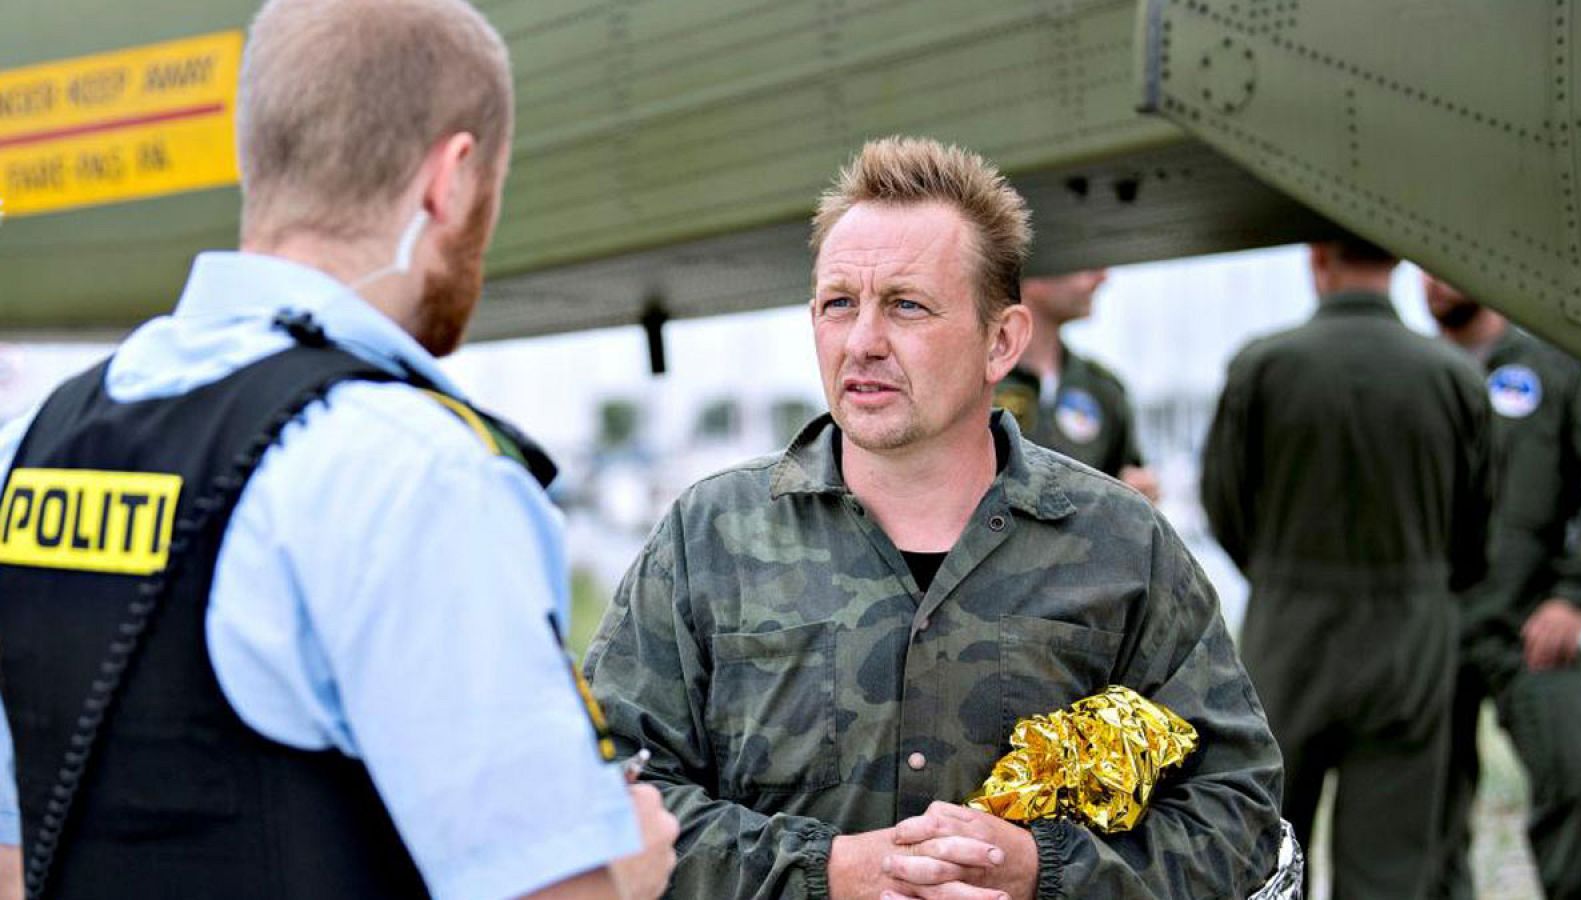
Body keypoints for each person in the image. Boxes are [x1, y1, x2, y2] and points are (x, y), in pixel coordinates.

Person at [0, 1, 677, 898]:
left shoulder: (32, 446)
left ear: (258, 156)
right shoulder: (415, 474)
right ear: (453, 178)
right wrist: (626, 869)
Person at [583, 136, 1285, 900]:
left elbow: (1237, 816)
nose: (863, 342)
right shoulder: (710, 538)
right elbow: (605, 795)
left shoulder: (1122, 546)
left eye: (907, 306)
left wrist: (1040, 874)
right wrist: (828, 872)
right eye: (838, 304)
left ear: (1002, 342)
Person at [1201, 239, 1492, 898]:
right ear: (1398, 261)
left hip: (1290, 625)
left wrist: (1277, 571)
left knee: (1266, 852)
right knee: (1391, 866)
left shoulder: (1262, 366)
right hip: (1411, 635)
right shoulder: (1453, 376)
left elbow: (1224, 503)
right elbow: (1477, 530)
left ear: (1317, 259)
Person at [1423, 274, 1581, 900]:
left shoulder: (1549, 368)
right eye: (1420, 268)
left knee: (1580, 778)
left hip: (1531, 623)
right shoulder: (1416, 371)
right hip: (1433, 630)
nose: (1434, 281)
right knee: (1427, 813)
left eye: (1442, 264)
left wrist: (1574, 595)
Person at [997, 269, 1160, 501]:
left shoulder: (1103, 388)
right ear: (1036, 271)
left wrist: (1137, 494)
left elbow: (1126, 481)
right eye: (1085, 264)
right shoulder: (974, 385)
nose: (1102, 277)